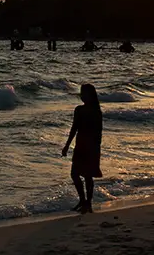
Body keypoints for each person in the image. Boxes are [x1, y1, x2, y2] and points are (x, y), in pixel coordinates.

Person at [62, 84, 103, 214]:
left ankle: (88, 203)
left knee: (88, 175)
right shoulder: (79, 110)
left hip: (91, 147)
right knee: (75, 174)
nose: (82, 96)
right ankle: (82, 200)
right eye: (81, 93)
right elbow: (74, 129)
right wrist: (67, 146)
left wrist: (96, 149)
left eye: (84, 93)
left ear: (90, 95)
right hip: (80, 146)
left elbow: (98, 132)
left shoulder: (96, 111)